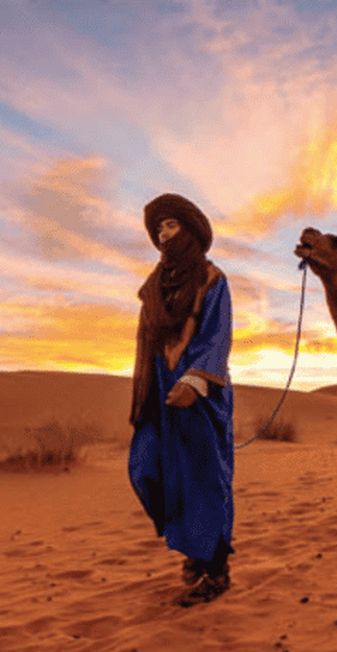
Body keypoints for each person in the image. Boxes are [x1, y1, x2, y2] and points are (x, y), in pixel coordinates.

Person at [128, 193, 234, 607]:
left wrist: (194, 381)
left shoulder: (212, 279)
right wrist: (148, 389)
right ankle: (193, 549)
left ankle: (215, 566)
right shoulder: (153, 287)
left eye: (170, 226)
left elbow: (217, 335)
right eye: (159, 229)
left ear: (188, 230)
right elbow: (146, 340)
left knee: (204, 480)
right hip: (158, 391)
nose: (162, 234)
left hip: (201, 393)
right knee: (149, 468)